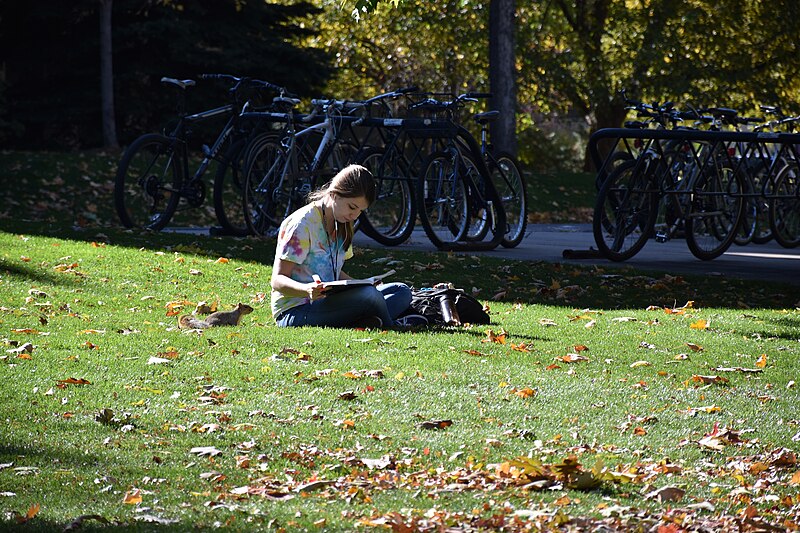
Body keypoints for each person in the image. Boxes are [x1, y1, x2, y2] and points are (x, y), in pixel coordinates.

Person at [270, 164, 412, 328]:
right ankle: (389, 325)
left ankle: (364, 320)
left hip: (329, 303)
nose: (355, 215)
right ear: (334, 194)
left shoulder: (342, 223)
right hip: (296, 310)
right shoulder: (302, 224)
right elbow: (277, 280)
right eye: (352, 207)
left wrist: (361, 283)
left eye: (360, 210)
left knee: (401, 290)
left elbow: (334, 272)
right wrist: (306, 290)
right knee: (371, 296)